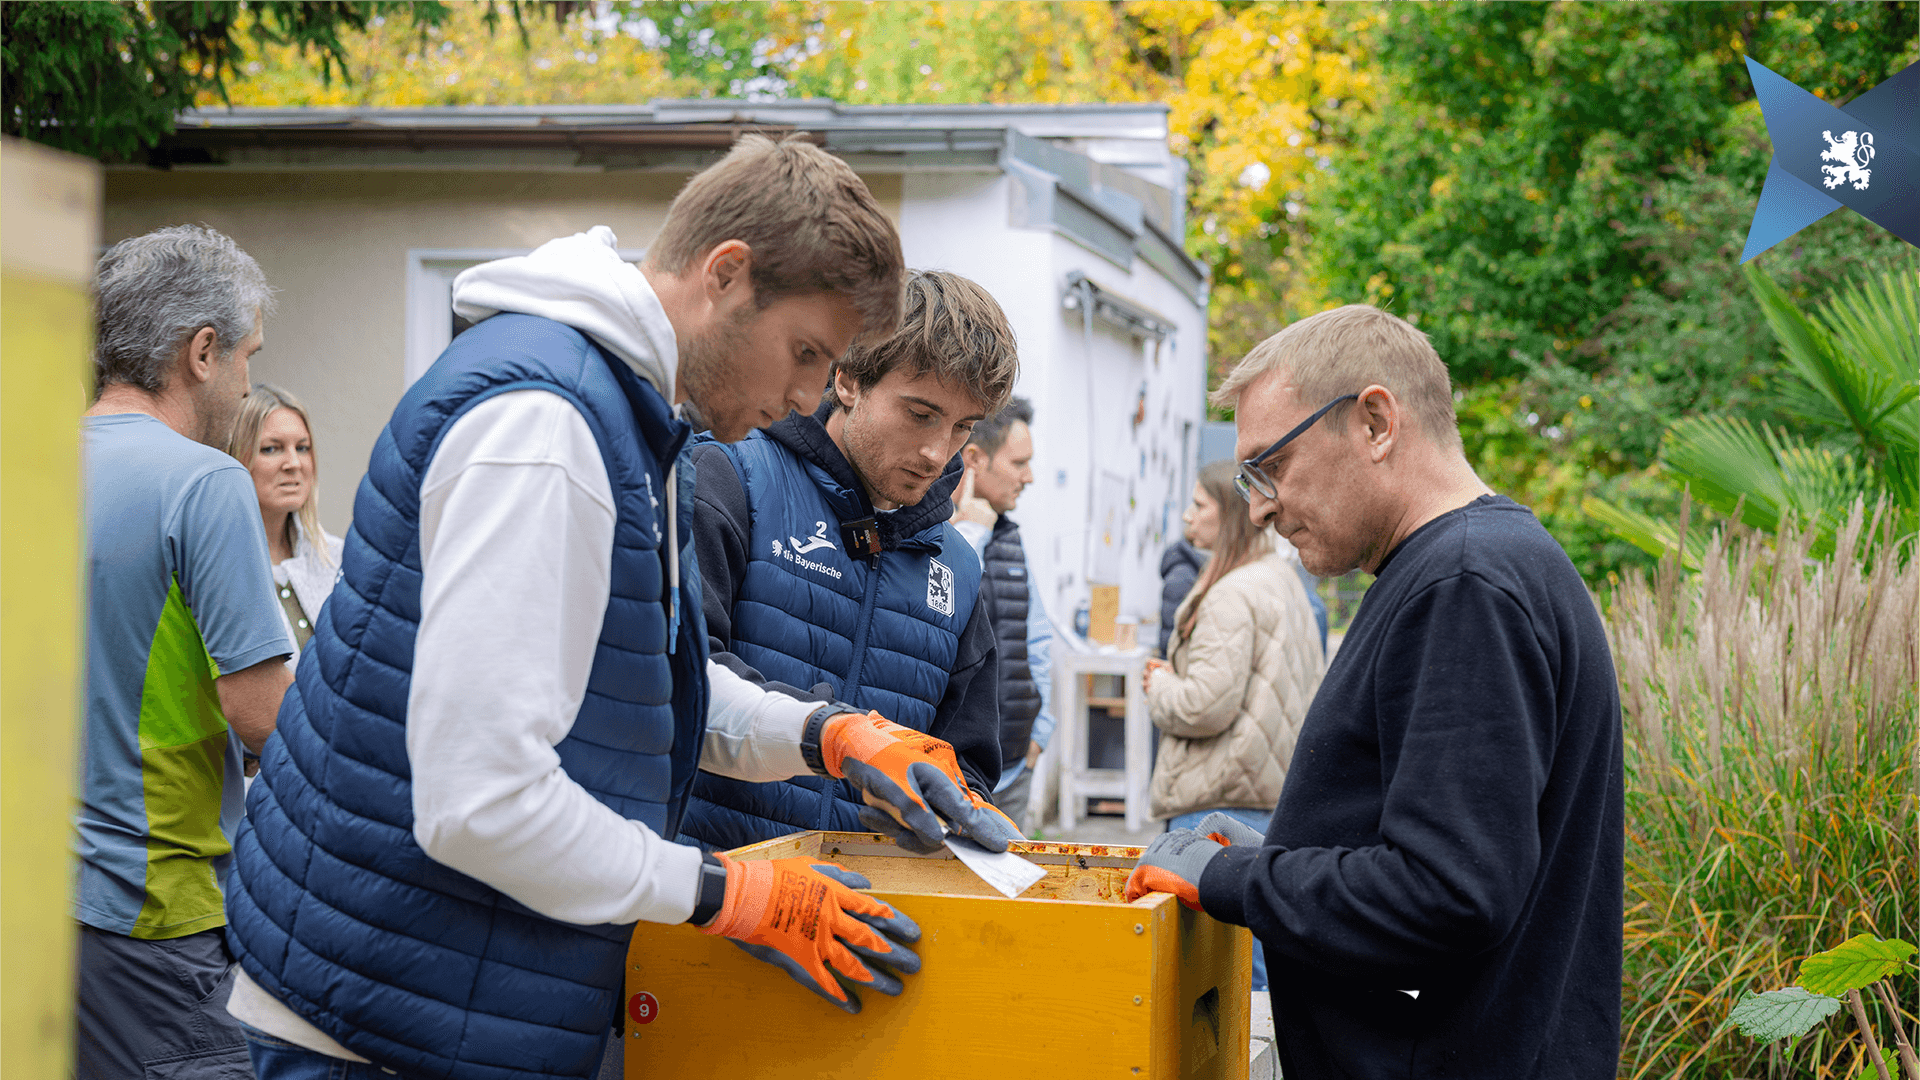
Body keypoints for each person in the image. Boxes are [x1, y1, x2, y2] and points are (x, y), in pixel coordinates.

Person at [223, 135, 1016, 1080]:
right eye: (805, 352)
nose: (807, 393)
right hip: (370, 1023)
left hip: (437, 1000)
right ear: (726, 276)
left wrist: (831, 734)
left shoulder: (626, 419)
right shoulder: (547, 426)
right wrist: (729, 891)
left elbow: (642, 692)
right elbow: (478, 805)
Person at [1125, 304, 1623, 1079]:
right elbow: (1463, 851)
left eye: (1271, 466)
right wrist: (1284, 852)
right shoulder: (1483, 565)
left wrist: (1230, 879)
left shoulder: (1464, 586)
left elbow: (1448, 892)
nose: (1257, 506)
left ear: (1375, 423)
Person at [681, 270, 1020, 851]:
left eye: (962, 427)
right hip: (712, 900)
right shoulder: (730, 477)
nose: (938, 453)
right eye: (920, 414)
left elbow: (968, 765)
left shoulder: (959, 570)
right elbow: (680, 681)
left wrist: (957, 814)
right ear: (847, 380)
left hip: (860, 920)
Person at [75, 225, 295, 1079]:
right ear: (202, 352)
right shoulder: (204, 485)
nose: (248, 382)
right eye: (247, 356)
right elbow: (266, 720)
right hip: (152, 907)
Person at [1139, 460, 1323, 992]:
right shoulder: (1282, 580)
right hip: (1261, 793)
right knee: (1256, 964)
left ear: (1232, 514)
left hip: (1216, 798)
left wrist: (1161, 685)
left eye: (1200, 504)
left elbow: (1203, 706)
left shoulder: (1232, 593)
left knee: (1221, 978)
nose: (1187, 515)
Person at [949, 396, 1056, 834]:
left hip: (1015, 769)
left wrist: (1041, 734)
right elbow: (944, 613)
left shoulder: (1011, 537)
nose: (1029, 478)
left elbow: (1038, 641)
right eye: (1018, 463)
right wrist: (971, 533)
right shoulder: (937, 533)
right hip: (952, 775)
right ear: (974, 459)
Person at [223, 383, 344, 669]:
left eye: (302, 448)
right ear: (235, 456)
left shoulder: (338, 558)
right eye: (271, 449)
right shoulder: (218, 568)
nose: (293, 463)